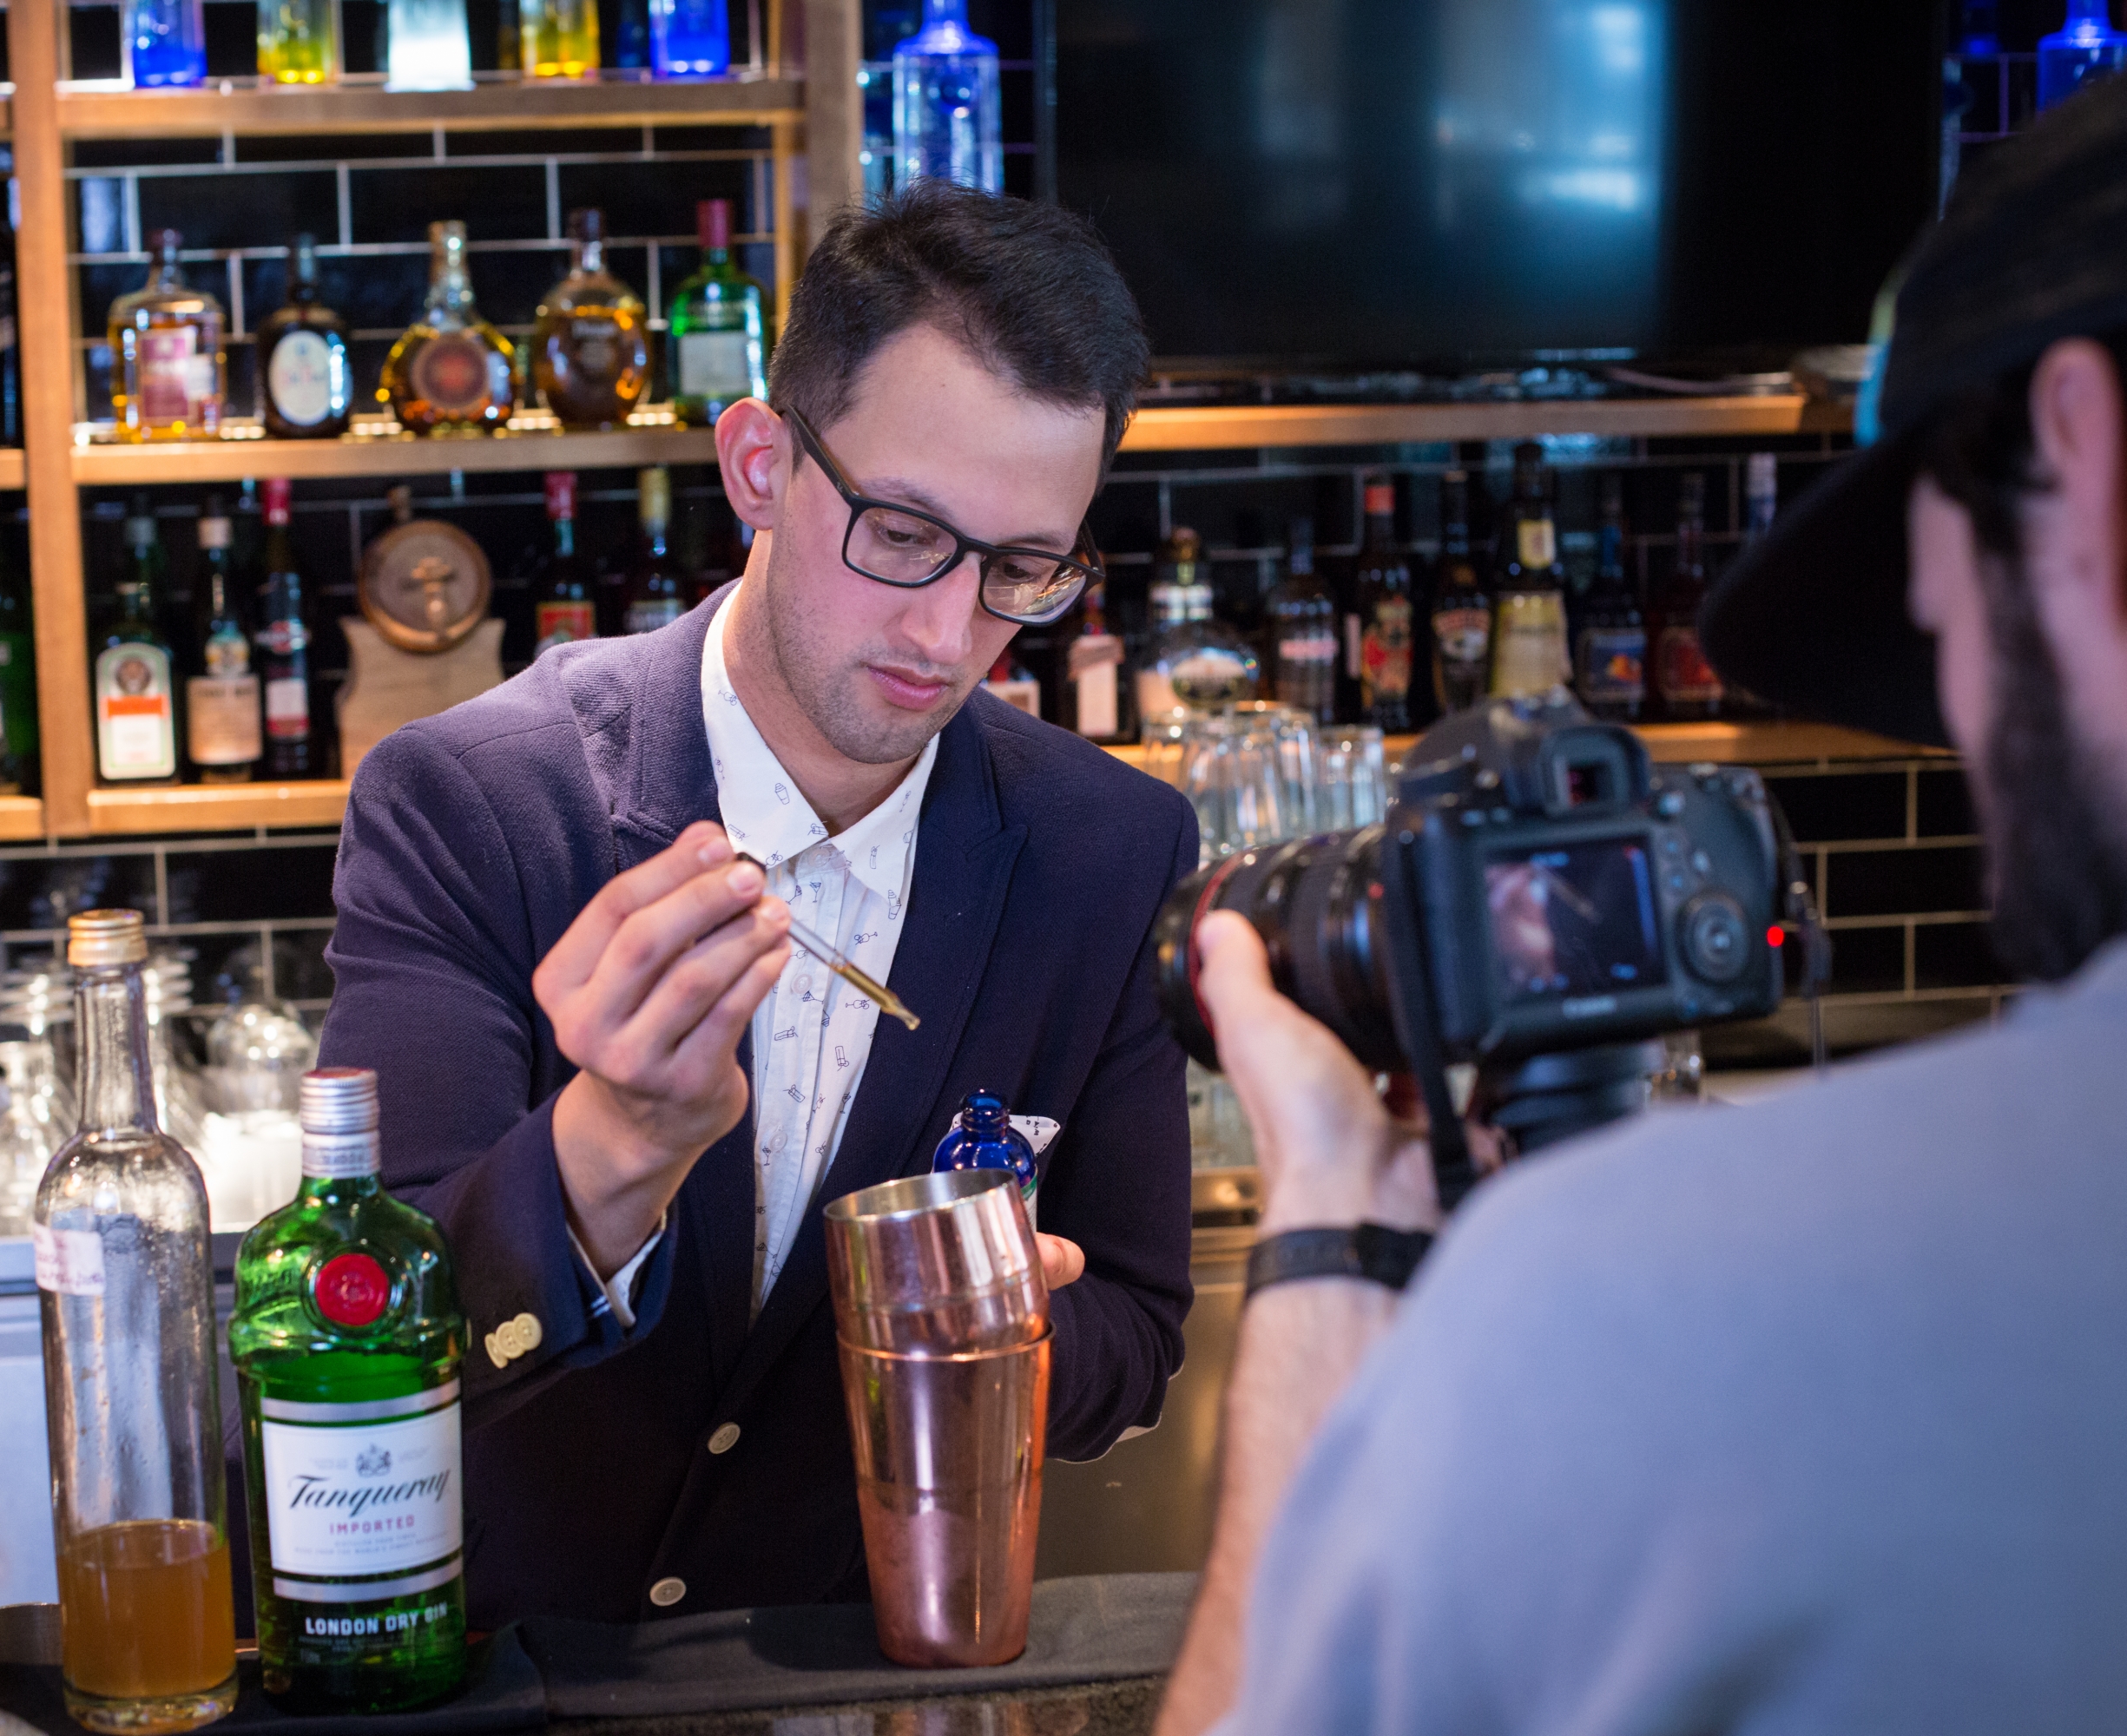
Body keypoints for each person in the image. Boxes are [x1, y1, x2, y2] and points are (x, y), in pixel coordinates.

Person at [1160, 79, 2127, 1735]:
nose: (1955, 695)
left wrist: (1332, 1237)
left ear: (2083, 466)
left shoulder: (1630, 1307)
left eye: (1936, 594)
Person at [316, 181, 1199, 1627]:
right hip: (525, 1681)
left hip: (873, 1673)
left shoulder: (1113, 851)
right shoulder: (471, 803)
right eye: (904, 533)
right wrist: (619, 1140)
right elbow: (378, 1337)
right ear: (759, 464)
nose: (946, 631)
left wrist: (997, 1322)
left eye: (1023, 570)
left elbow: (1140, 1332)